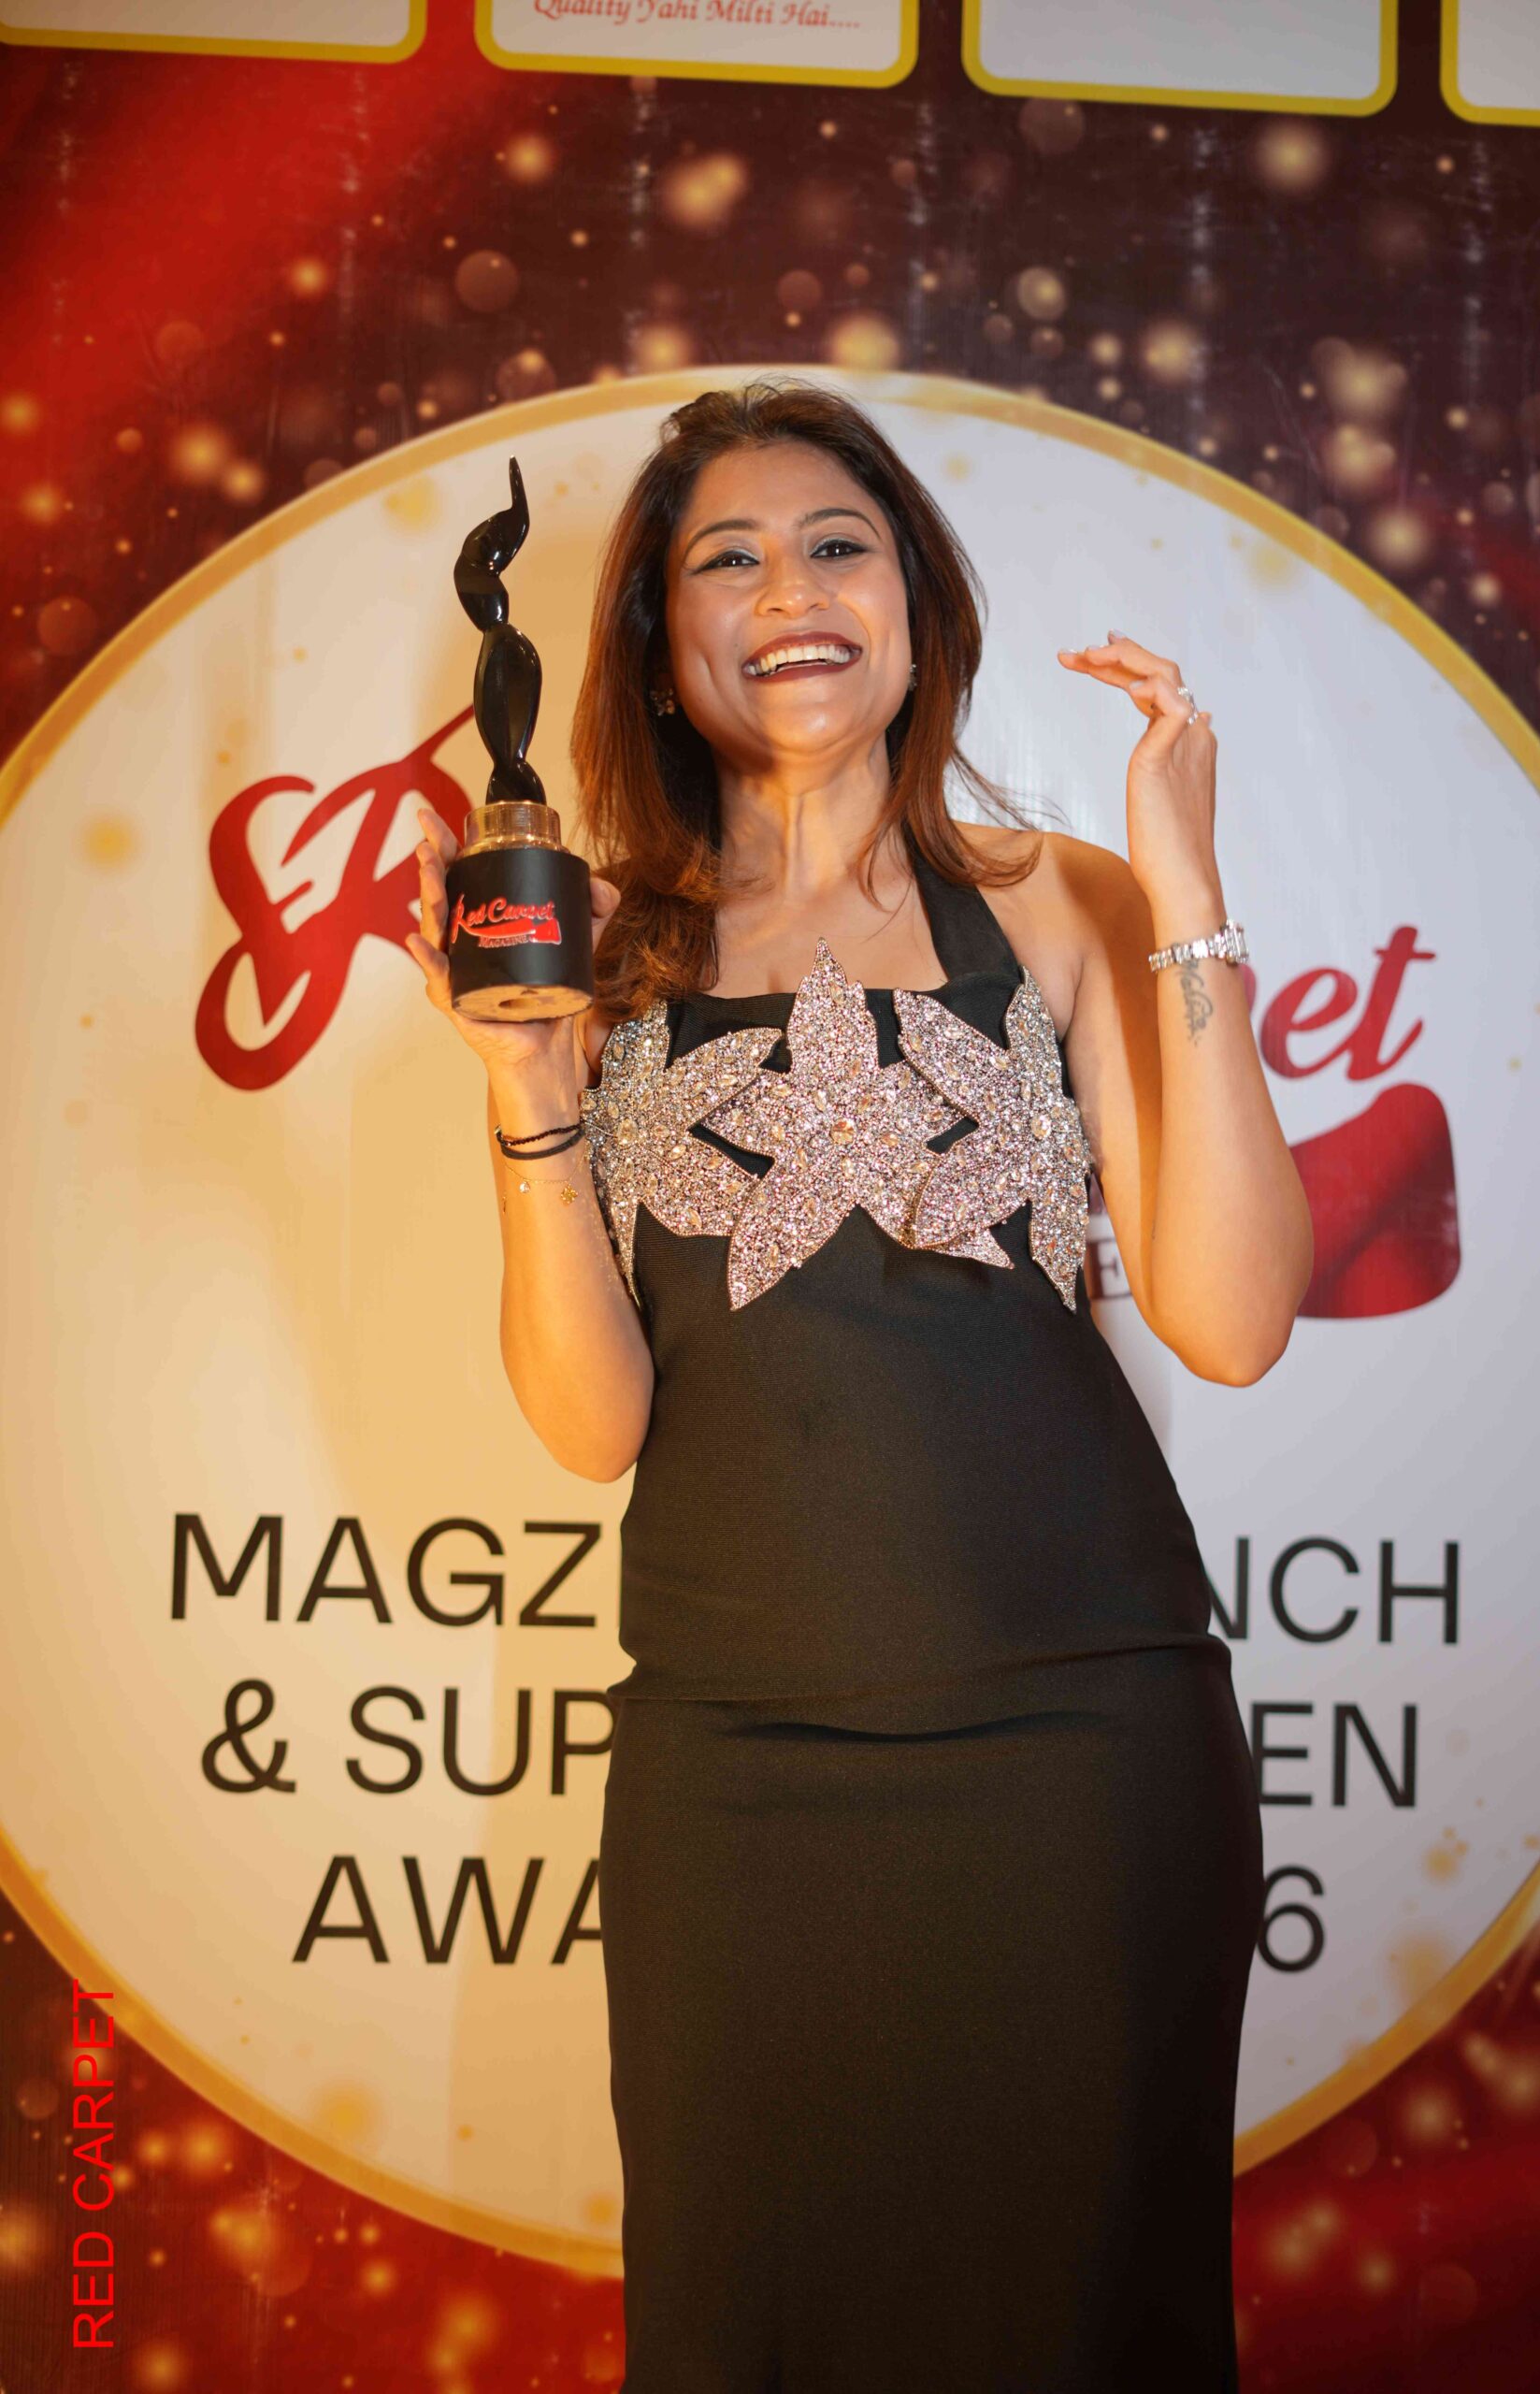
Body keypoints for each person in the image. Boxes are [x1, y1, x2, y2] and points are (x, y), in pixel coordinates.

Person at [405, 374, 1313, 2391]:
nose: (789, 592)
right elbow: (592, 1429)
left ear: (916, 600)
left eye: (838, 544)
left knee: (1079, 2325)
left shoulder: (1060, 898)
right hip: (732, 1762)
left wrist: (1185, 896)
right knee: (751, 2323)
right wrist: (526, 1093)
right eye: (724, 559)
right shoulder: (601, 952)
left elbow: (1234, 1319)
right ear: (658, 635)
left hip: (1079, 1751)